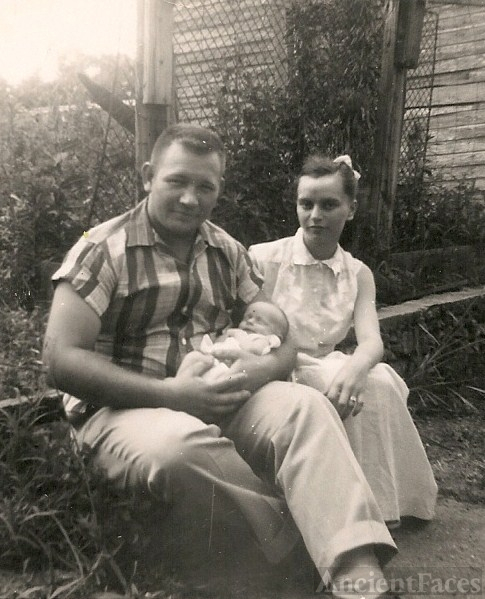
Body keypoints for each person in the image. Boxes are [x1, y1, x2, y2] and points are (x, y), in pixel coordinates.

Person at [43, 125, 398, 598]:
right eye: (177, 181)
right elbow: (60, 360)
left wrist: (260, 369)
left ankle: (359, 576)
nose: (190, 199)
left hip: (215, 391)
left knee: (305, 408)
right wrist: (170, 395)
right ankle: (295, 554)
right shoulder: (101, 248)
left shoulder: (225, 251)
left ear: (218, 191)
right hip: (124, 407)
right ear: (149, 176)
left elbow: (285, 341)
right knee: (179, 450)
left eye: (204, 187)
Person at [249, 154, 438, 527]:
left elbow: (371, 340)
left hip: (328, 362)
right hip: (275, 364)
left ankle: (381, 505)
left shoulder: (357, 273)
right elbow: (248, 327)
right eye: (307, 204)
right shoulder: (265, 259)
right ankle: (340, 514)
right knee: (334, 384)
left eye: (329, 204)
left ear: (350, 209)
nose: (315, 214)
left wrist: (355, 367)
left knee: (378, 381)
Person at [198, 301, 289, 382]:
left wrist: (237, 335)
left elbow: (253, 350)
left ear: (276, 336)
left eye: (260, 321)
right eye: (247, 317)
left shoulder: (264, 339)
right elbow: (218, 343)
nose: (250, 321)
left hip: (230, 369)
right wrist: (225, 336)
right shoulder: (238, 332)